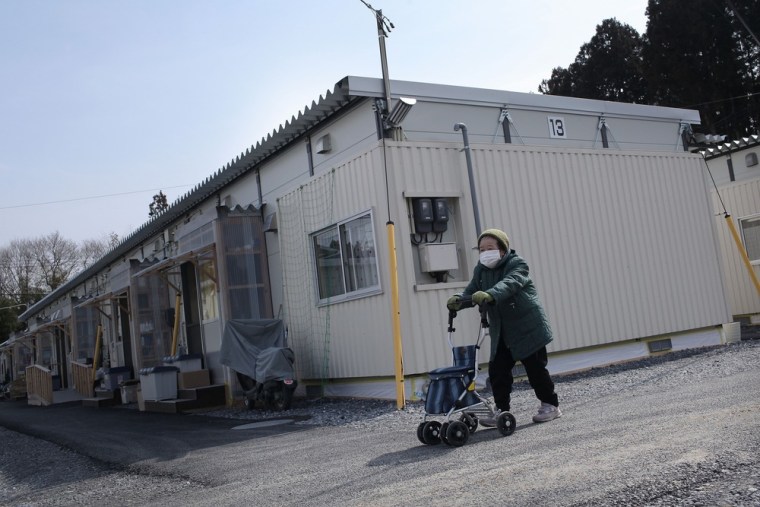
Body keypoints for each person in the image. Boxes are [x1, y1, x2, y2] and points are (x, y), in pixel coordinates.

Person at [447, 228, 561, 424]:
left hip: (527, 326)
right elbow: (473, 290)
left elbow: (510, 283)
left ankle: (550, 405)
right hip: (501, 329)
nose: (485, 252)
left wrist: (490, 294)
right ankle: (501, 410)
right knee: (498, 370)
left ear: (502, 249)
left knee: (535, 369)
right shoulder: (481, 270)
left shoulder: (517, 264)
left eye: (490, 247)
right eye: (481, 249)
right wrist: (460, 299)